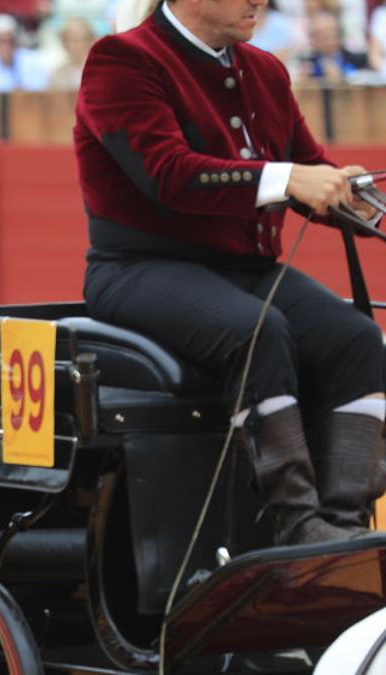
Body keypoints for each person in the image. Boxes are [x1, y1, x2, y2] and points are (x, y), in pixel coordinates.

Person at [76, 0, 386, 545]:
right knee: (256, 330)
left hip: (244, 271)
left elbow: (309, 170)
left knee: (358, 339)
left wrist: (348, 199)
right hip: (139, 269)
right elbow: (167, 174)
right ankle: (296, 526)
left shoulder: (265, 69)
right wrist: (290, 178)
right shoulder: (122, 60)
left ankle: (345, 525)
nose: (259, 0)